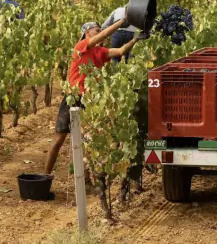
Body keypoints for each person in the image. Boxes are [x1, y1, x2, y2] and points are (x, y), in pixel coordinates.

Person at [44, 19, 145, 175]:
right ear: (87, 33)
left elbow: (120, 51)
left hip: (89, 101)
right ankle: (45, 175)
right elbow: (106, 33)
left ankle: (86, 179)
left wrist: (135, 39)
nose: (100, 33)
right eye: (97, 30)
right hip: (73, 97)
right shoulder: (81, 46)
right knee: (58, 139)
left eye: (99, 30)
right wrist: (124, 21)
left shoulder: (101, 52)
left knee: (89, 142)